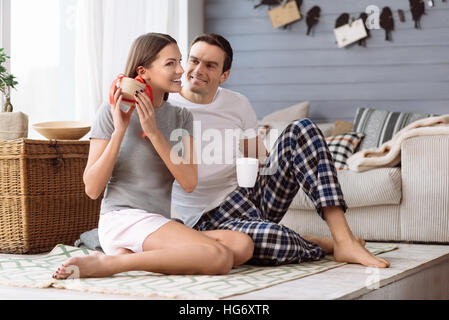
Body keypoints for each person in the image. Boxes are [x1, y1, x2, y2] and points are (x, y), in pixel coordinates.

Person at [168, 33, 390, 268]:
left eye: (210, 65)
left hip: (246, 196)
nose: (198, 69)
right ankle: (313, 243)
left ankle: (344, 239)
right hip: (208, 220)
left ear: (224, 75)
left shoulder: (237, 103)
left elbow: (259, 158)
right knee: (272, 239)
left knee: (302, 129)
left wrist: (305, 164)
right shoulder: (167, 107)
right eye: (194, 60)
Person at [52, 33, 254, 280]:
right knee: (219, 258)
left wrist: (155, 133)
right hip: (122, 219)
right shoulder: (112, 110)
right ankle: (109, 265)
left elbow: (189, 182)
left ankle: (125, 258)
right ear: (143, 71)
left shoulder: (182, 117)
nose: (182, 70)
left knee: (242, 245)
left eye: (180, 61)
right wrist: (120, 131)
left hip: (158, 221)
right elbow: (92, 189)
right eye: (171, 63)